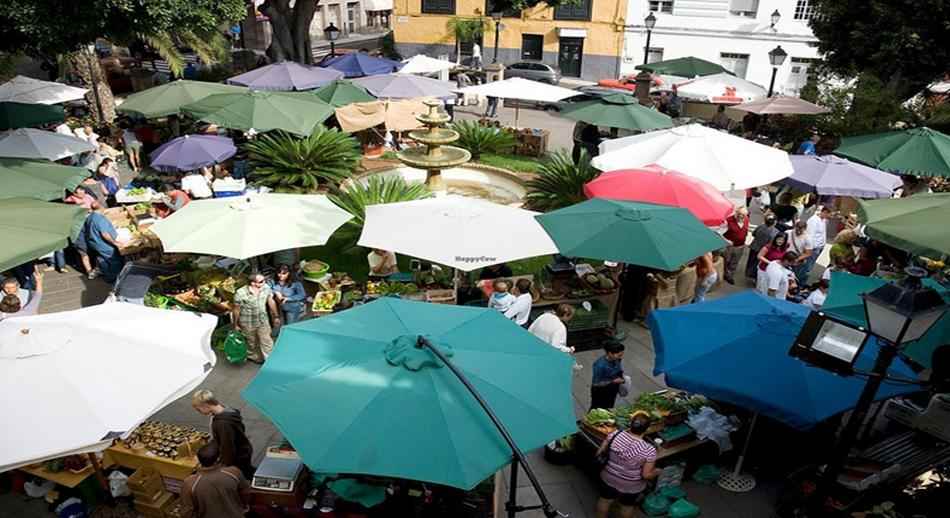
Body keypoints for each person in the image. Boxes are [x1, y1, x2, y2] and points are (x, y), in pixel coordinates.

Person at [594, 415, 659, 518]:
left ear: (631, 424)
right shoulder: (649, 450)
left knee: (605, 501)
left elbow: (599, 453)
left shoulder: (615, 434)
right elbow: (646, 475)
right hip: (631, 485)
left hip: (609, 476)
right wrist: (657, 471)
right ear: (647, 429)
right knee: (626, 506)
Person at [191, 390, 255, 480]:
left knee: (243, 475)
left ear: (206, 406)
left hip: (239, 455)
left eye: (198, 409)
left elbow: (227, 448)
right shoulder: (226, 409)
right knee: (247, 470)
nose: (199, 412)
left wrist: (223, 467)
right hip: (243, 449)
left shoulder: (222, 424)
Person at [179, 442, 250, 518]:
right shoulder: (233, 472)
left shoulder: (190, 483)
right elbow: (245, 493)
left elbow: (187, 512)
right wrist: (244, 507)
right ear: (218, 459)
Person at [232, 272, 281, 363]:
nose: (264, 282)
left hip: (263, 320)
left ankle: (270, 362)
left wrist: (276, 316)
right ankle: (254, 357)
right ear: (253, 283)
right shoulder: (240, 293)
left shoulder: (265, 287)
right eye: (261, 281)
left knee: (267, 341)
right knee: (252, 343)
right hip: (247, 323)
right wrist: (235, 324)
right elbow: (236, 310)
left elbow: (271, 301)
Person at [84, 209, 126, 283]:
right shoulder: (100, 219)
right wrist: (115, 242)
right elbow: (105, 234)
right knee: (114, 261)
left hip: (95, 243)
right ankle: (114, 278)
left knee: (102, 259)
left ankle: (107, 275)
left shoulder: (91, 216)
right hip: (104, 245)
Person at [744, 214, 779, 284]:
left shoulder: (761, 226)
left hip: (754, 247)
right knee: (758, 263)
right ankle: (754, 277)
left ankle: (748, 273)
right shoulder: (775, 232)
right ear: (775, 222)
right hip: (763, 250)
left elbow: (753, 234)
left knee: (751, 261)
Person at [591, 341, 625, 410]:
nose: (620, 357)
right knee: (596, 408)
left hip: (612, 388)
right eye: (619, 355)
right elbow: (596, 383)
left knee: (609, 406)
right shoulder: (600, 365)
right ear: (610, 353)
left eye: (621, 355)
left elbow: (618, 369)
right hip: (601, 391)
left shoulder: (616, 359)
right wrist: (613, 381)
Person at [722, 206, 749, 284]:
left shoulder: (746, 220)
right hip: (729, 246)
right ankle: (724, 273)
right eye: (739, 214)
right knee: (726, 260)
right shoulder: (728, 220)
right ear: (736, 212)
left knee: (735, 261)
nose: (741, 216)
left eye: (743, 215)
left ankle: (730, 275)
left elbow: (746, 230)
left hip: (740, 245)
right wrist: (727, 241)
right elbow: (720, 233)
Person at [805, 206, 831, 276]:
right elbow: (810, 234)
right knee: (808, 265)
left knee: (812, 262)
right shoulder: (813, 220)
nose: (829, 216)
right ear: (824, 212)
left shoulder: (824, 220)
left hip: (820, 246)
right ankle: (804, 277)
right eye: (828, 214)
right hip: (814, 247)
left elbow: (823, 233)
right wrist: (810, 247)